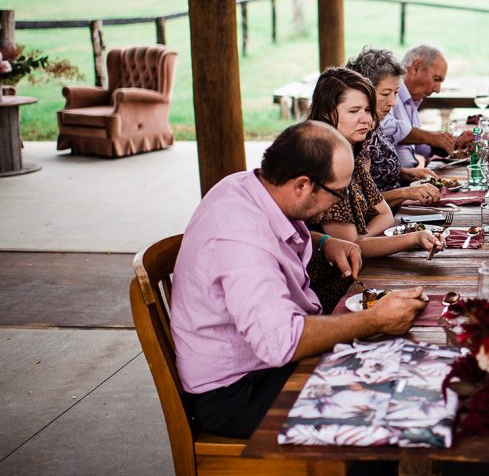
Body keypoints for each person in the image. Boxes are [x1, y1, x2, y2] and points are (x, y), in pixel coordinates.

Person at [170, 121, 428, 438]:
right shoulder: (241, 238)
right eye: (338, 191)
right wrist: (374, 320)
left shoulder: (245, 187)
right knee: (384, 409)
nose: (341, 200)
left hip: (262, 365)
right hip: (240, 391)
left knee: (393, 365)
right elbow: (282, 342)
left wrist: (322, 241)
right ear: (302, 186)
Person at [307, 67, 444, 264]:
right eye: (354, 111)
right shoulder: (325, 165)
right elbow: (351, 248)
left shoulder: (354, 152)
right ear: (328, 114)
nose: (366, 119)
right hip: (339, 283)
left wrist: (361, 239)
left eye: (368, 110)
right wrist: (413, 238)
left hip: (365, 264)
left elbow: (385, 214)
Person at [346, 46, 444, 209]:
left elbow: (376, 175)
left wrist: (406, 173)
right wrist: (405, 192)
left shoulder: (373, 124)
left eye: (396, 93)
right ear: (363, 90)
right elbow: (359, 202)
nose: (392, 102)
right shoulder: (355, 133)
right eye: (385, 94)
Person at [390, 44, 473, 168]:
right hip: (395, 184)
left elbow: (422, 148)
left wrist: (452, 143)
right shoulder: (388, 93)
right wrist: (432, 137)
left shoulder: (412, 100)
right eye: (436, 79)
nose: (438, 90)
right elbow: (388, 129)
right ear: (416, 67)